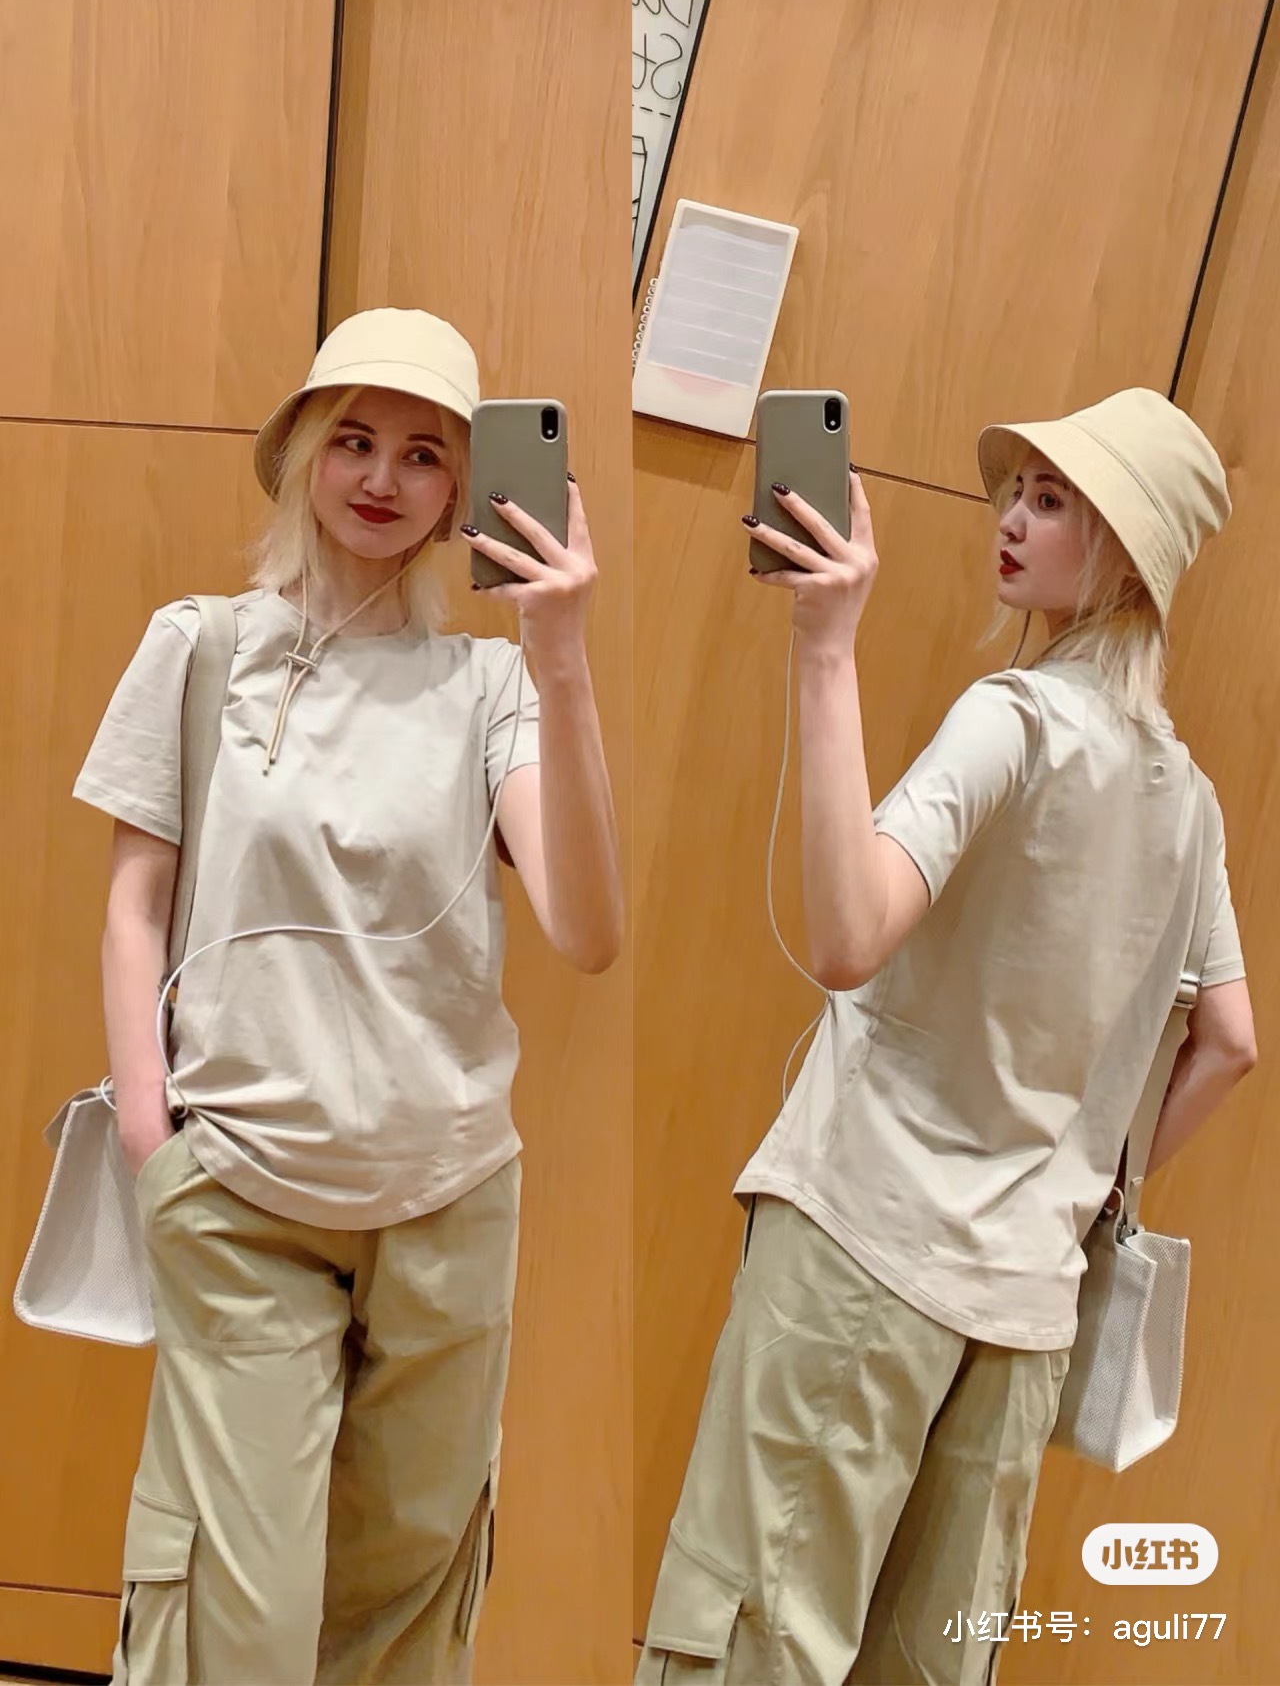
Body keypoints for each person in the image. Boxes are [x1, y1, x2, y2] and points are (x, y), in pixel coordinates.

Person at [637, 388, 1256, 1686]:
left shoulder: (1013, 720)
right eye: (1016, 492)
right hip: (1025, 1312)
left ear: (1125, 553)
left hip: (864, 1246)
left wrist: (825, 649)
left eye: (1052, 500)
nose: (1011, 519)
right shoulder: (1189, 803)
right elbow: (1230, 1040)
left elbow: (849, 935)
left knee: (750, 1645)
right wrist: (1089, 1180)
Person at [74, 307, 623, 1684]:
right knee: (239, 1616)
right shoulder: (200, 647)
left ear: (463, 492)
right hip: (242, 1192)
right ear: (306, 453)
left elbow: (588, 930)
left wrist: (561, 653)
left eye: (426, 455)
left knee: (403, 1609)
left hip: (447, 1198)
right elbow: (136, 903)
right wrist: (150, 1139)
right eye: (356, 440)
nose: (383, 478)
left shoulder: (489, 685)